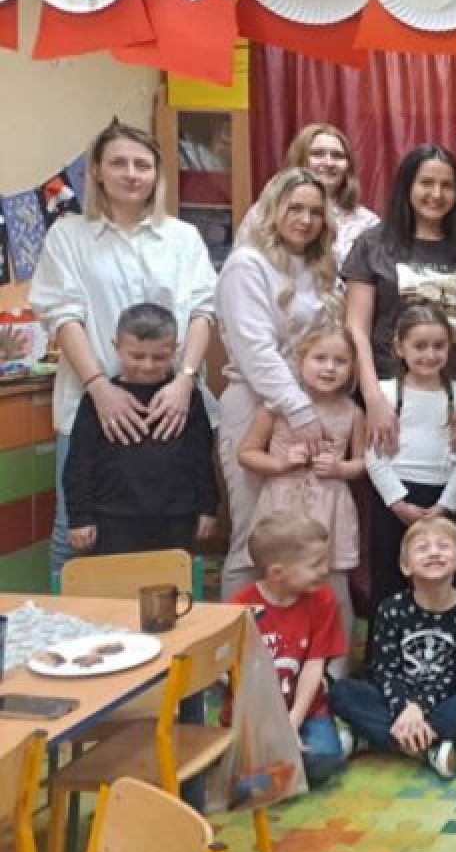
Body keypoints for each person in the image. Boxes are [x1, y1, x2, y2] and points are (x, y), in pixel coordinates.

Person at [30, 120, 216, 585]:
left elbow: (203, 312)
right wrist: (100, 388)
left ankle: (161, 624)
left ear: (157, 173)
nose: (131, 174)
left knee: (165, 530)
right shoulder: (69, 235)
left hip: (171, 405)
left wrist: (185, 380)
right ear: (97, 171)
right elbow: (62, 314)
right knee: (75, 531)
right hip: (92, 403)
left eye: (142, 164)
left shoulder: (182, 238)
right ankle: (71, 628)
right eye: (119, 163)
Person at [215, 167, 341, 600]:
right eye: (295, 209)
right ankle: (239, 636)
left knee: (301, 542)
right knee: (255, 536)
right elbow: (256, 350)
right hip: (257, 405)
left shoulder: (320, 268)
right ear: (272, 210)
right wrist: (298, 409)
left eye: (315, 212)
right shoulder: (247, 264)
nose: (305, 220)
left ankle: (297, 637)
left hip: (309, 409)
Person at [344, 144, 456, 458]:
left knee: (455, 484)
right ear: (407, 186)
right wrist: (372, 397)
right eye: (426, 183)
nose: (437, 194)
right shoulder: (372, 245)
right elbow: (356, 328)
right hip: (388, 397)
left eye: (447, 185)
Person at [238, 323, 366, 660]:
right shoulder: (277, 406)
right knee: (274, 580)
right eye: (320, 358)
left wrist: (339, 468)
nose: (329, 368)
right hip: (284, 504)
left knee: (334, 585)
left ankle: (334, 667)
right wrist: (281, 463)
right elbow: (247, 453)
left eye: (340, 361)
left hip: (329, 506)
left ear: (352, 367)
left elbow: (363, 463)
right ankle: (271, 657)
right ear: (299, 361)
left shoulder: (353, 412)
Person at [329, 516, 456, 780]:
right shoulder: (391, 609)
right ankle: (428, 747)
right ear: (405, 565)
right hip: (395, 699)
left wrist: (419, 708)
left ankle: (371, 738)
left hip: (444, 699)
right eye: (422, 548)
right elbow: (385, 670)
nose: (433, 552)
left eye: (443, 546)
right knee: (342, 691)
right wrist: (404, 708)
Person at [63, 303, 218, 558]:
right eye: (136, 356)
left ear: (175, 350)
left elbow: (202, 458)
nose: (147, 366)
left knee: (173, 580)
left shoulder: (189, 398)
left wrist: (207, 508)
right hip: (112, 519)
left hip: (177, 517)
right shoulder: (96, 401)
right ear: (116, 347)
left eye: (159, 357)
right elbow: (80, 463)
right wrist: (80, 517)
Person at [363, 303, 456, 606]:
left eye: (439, 346)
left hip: (442, 497)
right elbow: (373, 455)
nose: (430, 354)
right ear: (400, 347)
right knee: (389, 574)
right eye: (420, 346)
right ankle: (385, 635)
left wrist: (445, 504)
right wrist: (396, 501)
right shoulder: (384, 394)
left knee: (441, 572)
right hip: (394, 497)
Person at [229, 513, 348, 785]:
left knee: (322, 760)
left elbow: (315, 664)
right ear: (277, 573)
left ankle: (326, 748)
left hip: (307, 711)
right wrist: (272, 728)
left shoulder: (323, 599)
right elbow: (235, 675)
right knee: (245, 782)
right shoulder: (241, 608)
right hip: (256, 716)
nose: (325, 570)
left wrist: (293, 720)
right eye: (315, 564)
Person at [236, 123, 380, 269]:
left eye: (338, 156)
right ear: (299, 159)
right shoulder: (264, 212)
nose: (329, 162)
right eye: (318, 154)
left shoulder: (368, 223)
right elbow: (241, 267)